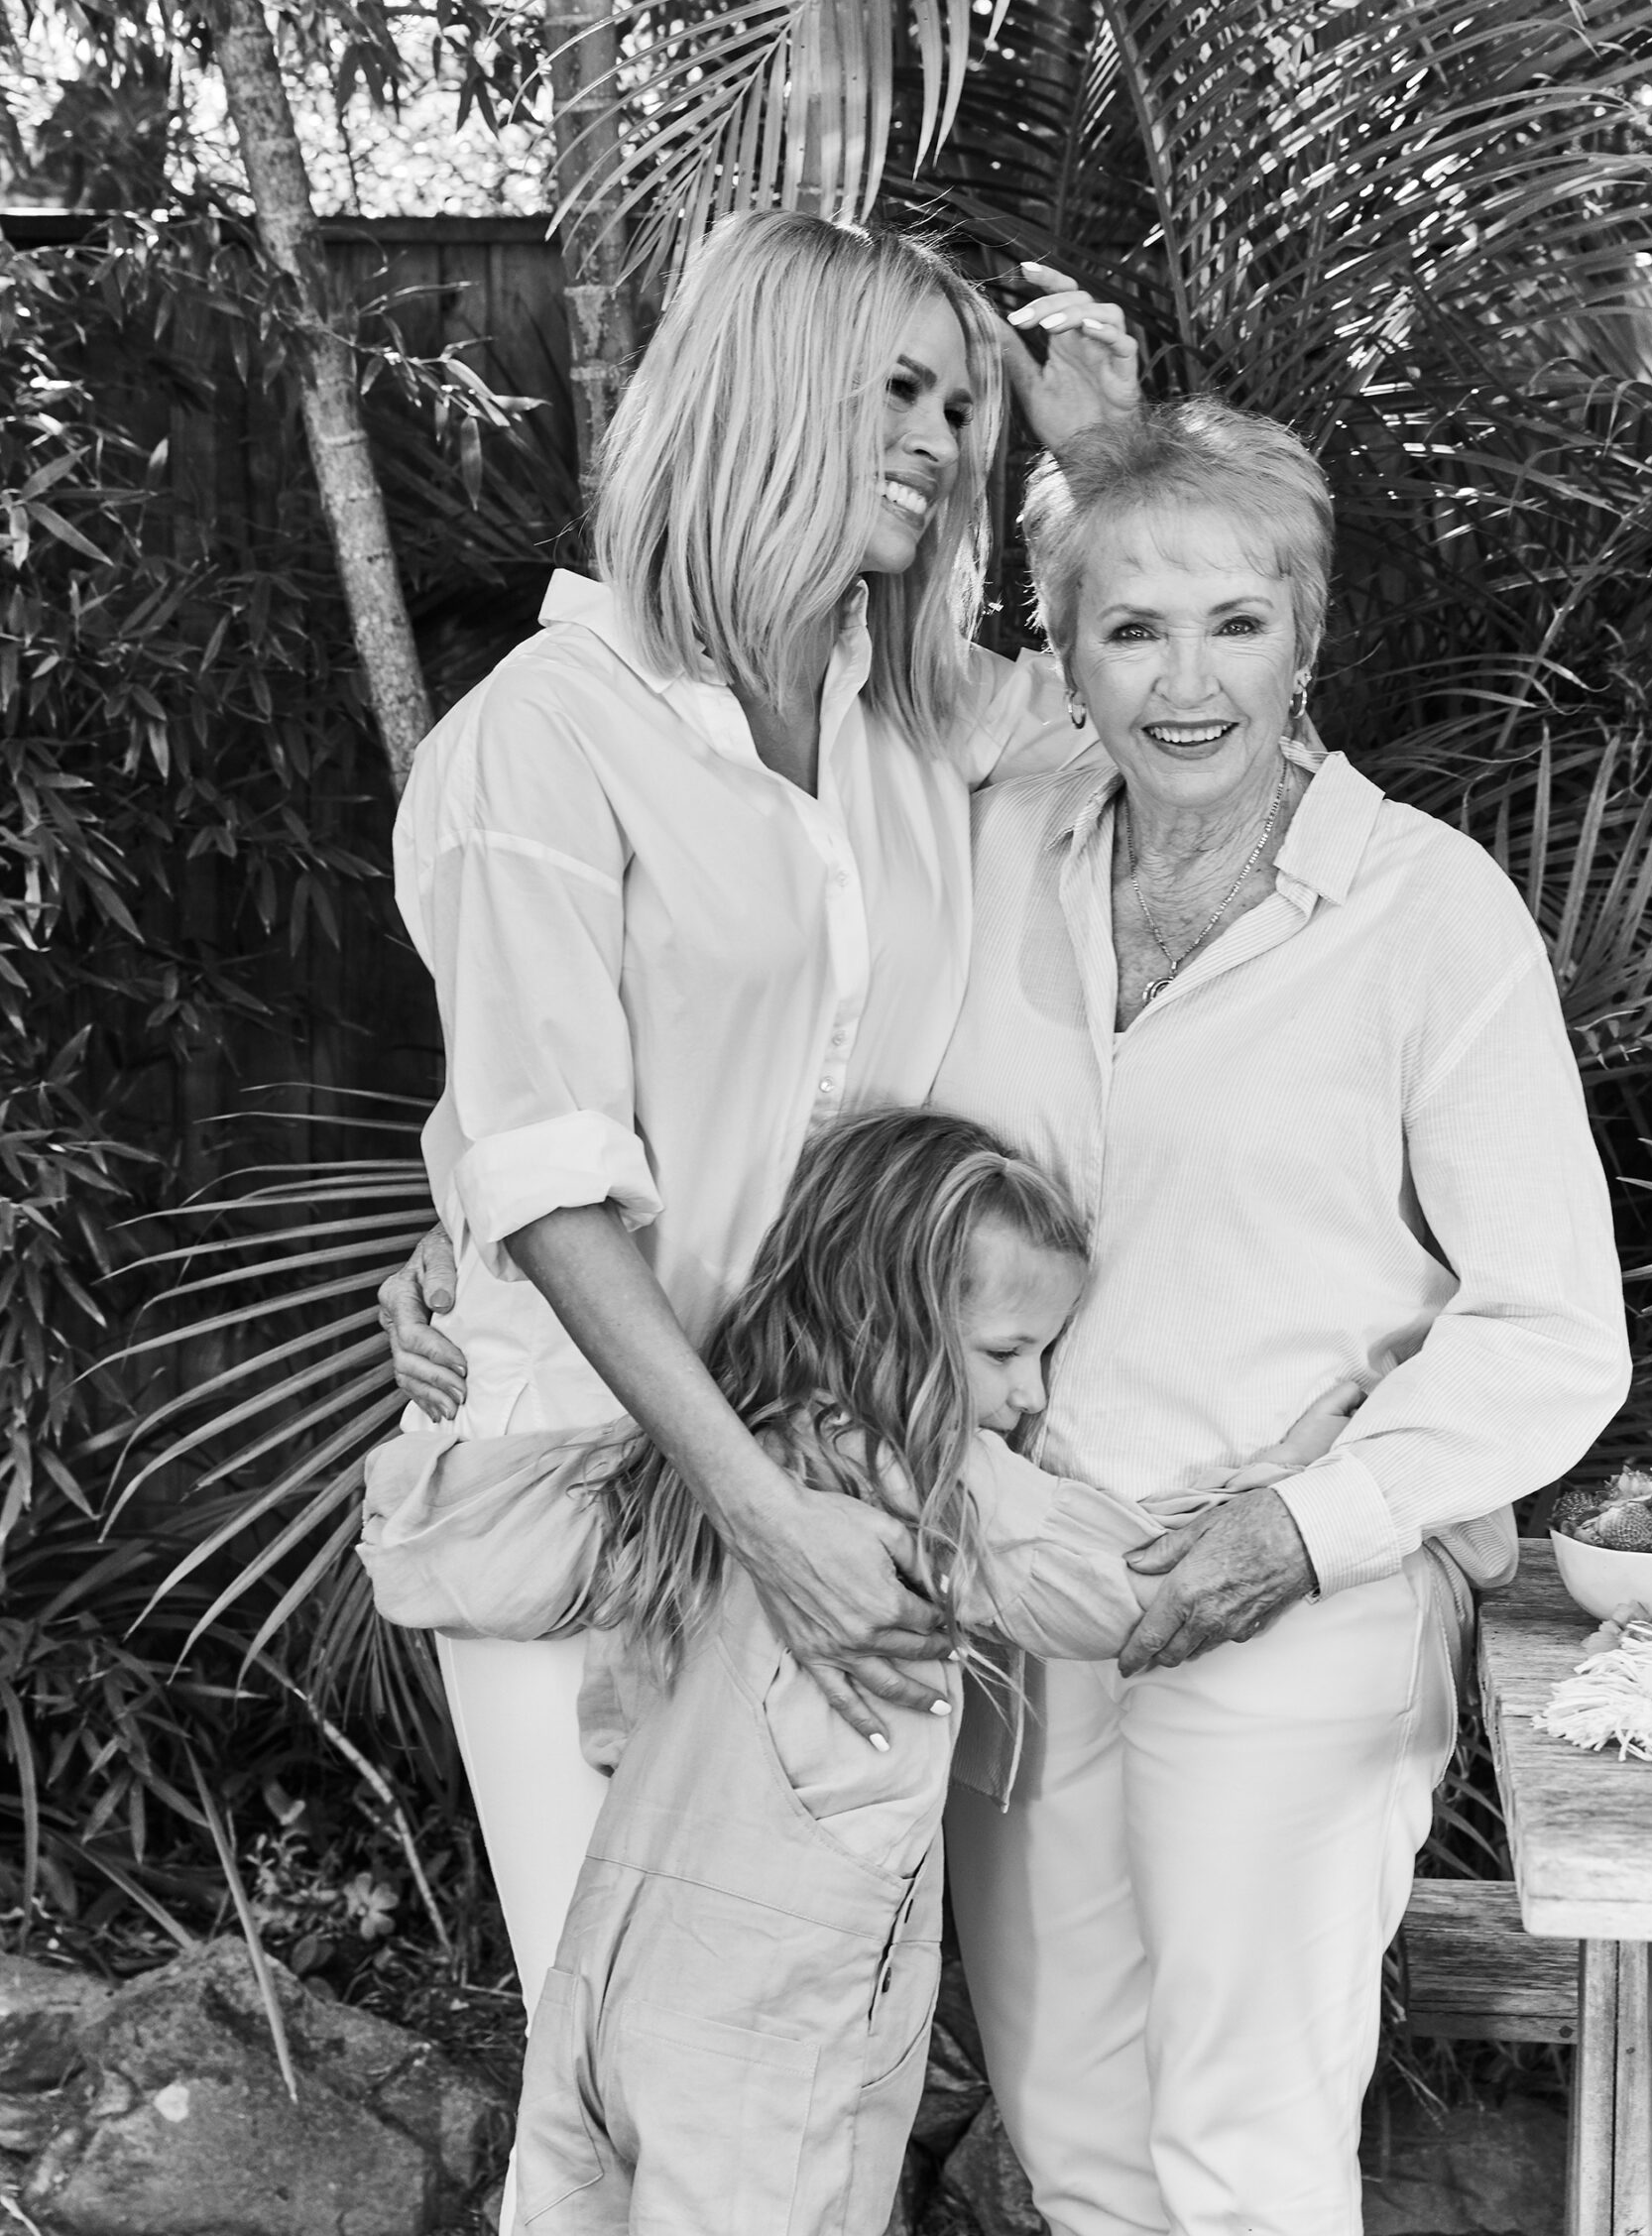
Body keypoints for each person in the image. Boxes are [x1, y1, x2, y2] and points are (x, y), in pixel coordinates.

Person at [383, 208, 1140, 2022]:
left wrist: (1098, 453)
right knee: (629, 2065)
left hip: (843, 1473)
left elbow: (1180, 709)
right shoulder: (539, 738)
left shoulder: (913, 717)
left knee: (785, 2075)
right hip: (595, 1482)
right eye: (897, 389)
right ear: (765, 391)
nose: (944, 441)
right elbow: (552, 1175)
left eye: (960, 407)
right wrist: (759, 1517)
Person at [926, 400, 1631, 2236]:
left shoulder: (1421, 913)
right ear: (1059, 649)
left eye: (1234, 622)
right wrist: (480, 1217)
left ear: (1307, 636)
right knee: (1071, 2128)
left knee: (1242, 2155)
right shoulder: (995, 847)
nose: (1183, 681)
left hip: (1286, 1597)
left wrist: (1292, 1534)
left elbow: (1552, 1331)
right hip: (1019, 1577)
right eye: (1128, 628)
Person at [359, 1109, 1369, 2236]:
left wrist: (470, 1319)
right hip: (779, 2024)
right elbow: (1135, 1593)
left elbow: (427, 1548)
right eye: (1004, 1352)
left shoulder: (694, 1464)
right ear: (882, 1316)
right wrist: (1289, 1484)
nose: (1031, 1396)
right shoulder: (941, 1490)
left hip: (608, 1984)